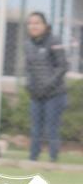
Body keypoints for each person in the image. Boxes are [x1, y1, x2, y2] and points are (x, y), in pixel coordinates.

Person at [24, 11, 67, 163]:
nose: (33, 26)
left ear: (45, 25)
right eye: (30, 23)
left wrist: (48, 85)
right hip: (36, 94)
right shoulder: (28, 44)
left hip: (54, 94)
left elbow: (62, 66)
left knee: (51, 127)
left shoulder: (54, 41)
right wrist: (29, 84)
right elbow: (28, 68)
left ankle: (53, 158)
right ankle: (33, 158)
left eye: (37, 23)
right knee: (35, 127)